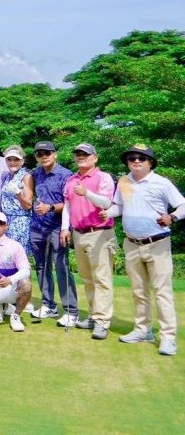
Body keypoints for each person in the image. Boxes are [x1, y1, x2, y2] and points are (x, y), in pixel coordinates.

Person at [103, 144, 185, 356]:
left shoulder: (161, 182)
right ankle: (142, 330)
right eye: (132, 158)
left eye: (142, 158)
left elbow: (182, 205)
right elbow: (120, 206)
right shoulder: (124, 181)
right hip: (132, 243)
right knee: (139, 291)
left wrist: (172, 217)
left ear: (150, 162)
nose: (136, 161)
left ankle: (168, 337)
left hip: (158, 243)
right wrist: (107, 213)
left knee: (162, 291)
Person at [60, 142, 116, 339]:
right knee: (87, 278)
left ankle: (102, 321)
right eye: (78, 154)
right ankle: (93, 316)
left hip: (99, 232)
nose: (81, 157)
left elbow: (107, 203)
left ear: (95, 158)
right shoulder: (71, 180)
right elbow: (67, 206)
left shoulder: (103, 177)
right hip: (78, 233)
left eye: (85, 154)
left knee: (102, 279)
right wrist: (65, 228)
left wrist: (88, 193)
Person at [28, 141, 77, 326]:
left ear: (55, 154)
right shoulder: (35, 174)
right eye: (39, 154)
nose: (43, 156)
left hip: (58, 227)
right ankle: (49, 305)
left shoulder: (66, 175)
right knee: (42, 267)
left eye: (47, 153)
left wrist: (49, 207)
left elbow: (70, 204)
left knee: (62, 267)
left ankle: (71, 311)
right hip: (38, 227)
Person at [0, 146, 35, 256]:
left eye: (16, 159)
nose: (12, 162)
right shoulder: (7, 176)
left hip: (20, 222)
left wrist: (18, 193)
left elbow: (28, 205)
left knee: (19, 257)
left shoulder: (26, 176)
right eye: (9, 159)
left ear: (22, 161)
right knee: (8, 257)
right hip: (7, 221)